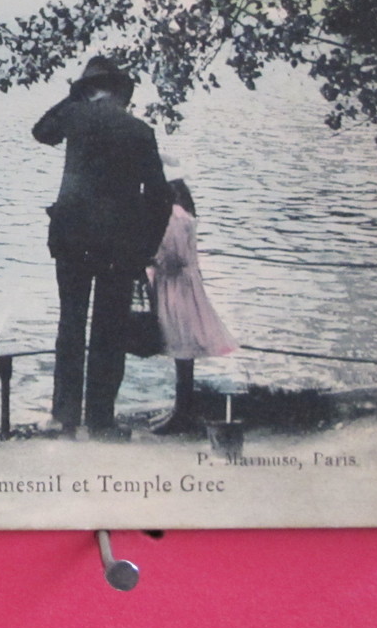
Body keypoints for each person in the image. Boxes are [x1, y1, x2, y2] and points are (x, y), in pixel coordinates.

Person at [33, 56, 173, 439]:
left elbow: (41, 132)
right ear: (121, 93)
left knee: (71, 325)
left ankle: (64, 418)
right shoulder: (140, 131)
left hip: (72, 240)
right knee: (109, 331)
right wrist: (145, 246)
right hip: (119, 247)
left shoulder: (75, 117)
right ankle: (101, 421)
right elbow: (161, 197)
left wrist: (70, 96)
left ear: (87, 90)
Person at [147, 164, 237, 435]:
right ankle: (181, 408)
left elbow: (170, 259)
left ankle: (182, 413)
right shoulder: (184, 214)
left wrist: (148, 259)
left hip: (175, 288)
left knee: (181, 346)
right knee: (182, 350)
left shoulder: (172, 218)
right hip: (184, 285)